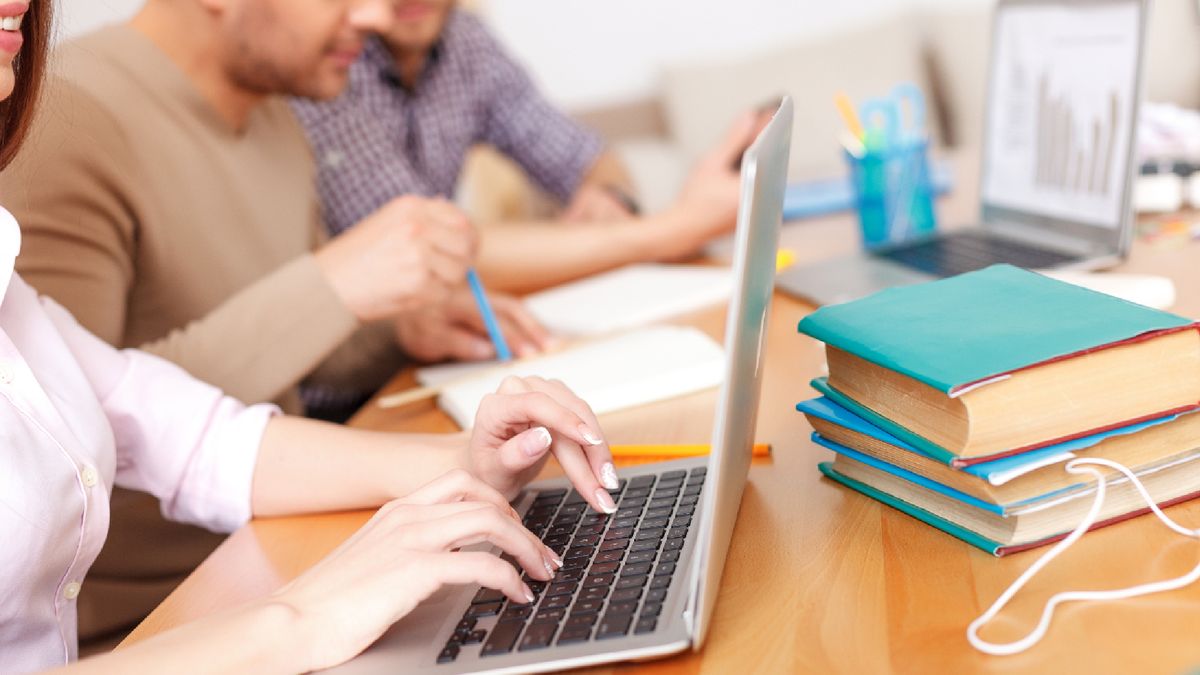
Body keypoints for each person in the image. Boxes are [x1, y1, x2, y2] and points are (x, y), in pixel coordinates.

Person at [0, 6, 617, 671]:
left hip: (243, 574)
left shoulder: (15, 290)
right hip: (178, 611)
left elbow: (183, 432)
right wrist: (296, 617)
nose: (380, 15)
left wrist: (466, 461)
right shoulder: (75, 118)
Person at [291, 1, 761, 293]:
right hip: (342, 383)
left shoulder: (466, 43)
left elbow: (587, 156)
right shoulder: (326, 63)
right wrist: (669, 231)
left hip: (433, 337)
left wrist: (611, 199)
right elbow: (424, 250)